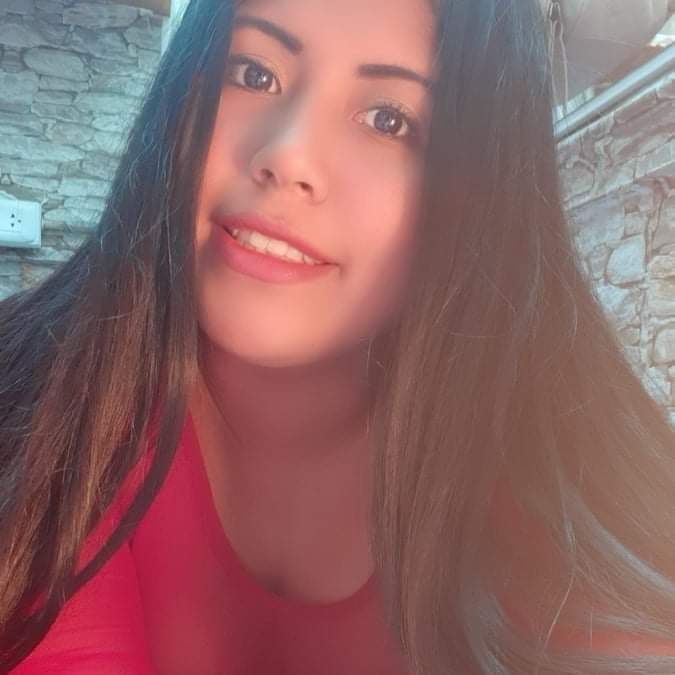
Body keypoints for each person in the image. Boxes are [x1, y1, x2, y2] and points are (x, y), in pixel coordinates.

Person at [1, 0, 674, 673]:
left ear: (486, 193)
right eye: (254, 73)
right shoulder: (32, 401)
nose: (286, 154)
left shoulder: (571, 510)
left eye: (389, 120)